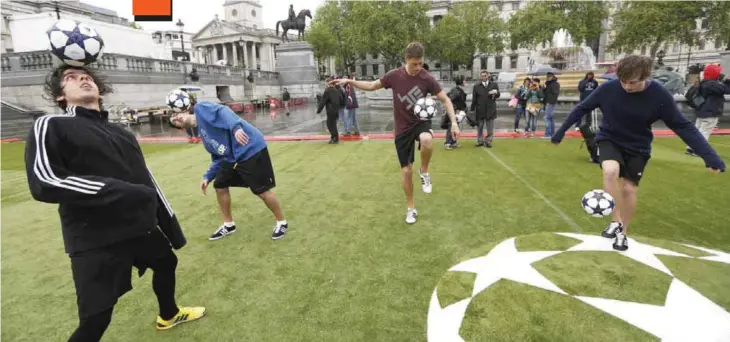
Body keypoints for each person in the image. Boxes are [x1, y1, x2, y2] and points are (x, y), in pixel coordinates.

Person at [26, 65, 206, 341]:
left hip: (140, 228)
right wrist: (119, 191)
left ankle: (168, 315)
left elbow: (147, 181)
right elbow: (44, 180)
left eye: (86, 76)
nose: (83, 79)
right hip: (95, 239)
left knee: (166, 262)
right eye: (71, 78)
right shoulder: (51, 125)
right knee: (96, 319)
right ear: (60, 97)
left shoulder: (122, 132)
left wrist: (170, 225)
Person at [551, 55, 725, 251]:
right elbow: (581, 108)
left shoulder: (659, 96)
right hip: (610, 138)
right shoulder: (609, 89)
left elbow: (683, 126)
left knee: (628, 189)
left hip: (638, 145)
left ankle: (623, 233)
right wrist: (559, 133)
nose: (626, 86)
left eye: (632, 82)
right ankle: (615, 221)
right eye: (623, 81)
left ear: (646, 76)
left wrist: (710, 157)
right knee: (610, 171)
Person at [330, 42, 460, 224]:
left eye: (421, 63)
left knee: (426, 139)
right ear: (406, 59)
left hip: (420, 123)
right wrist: (349, 81)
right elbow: (371, 85)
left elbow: (445, 99)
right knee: (406, 171)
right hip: (402, 129)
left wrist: (454, 123)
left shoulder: (427, 78)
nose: (418, 67)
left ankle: (424, 171)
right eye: (415, 63)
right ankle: (411, 208)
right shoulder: (394, 76)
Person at [168, 95, 289, 241]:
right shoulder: (204, 138)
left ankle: (282, 222)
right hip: (233, 157)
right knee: (220, 184)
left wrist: (236, 128)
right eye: (174, 122)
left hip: (250, 147)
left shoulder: (201, 108)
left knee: (261, 191)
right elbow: (218, 158)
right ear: (181, 128)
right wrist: (207, 177)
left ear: (184, 111)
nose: (177, 119)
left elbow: (224, 111)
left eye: (176, 116)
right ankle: (229, 224)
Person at [685, 64, 730, 156]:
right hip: (710, 111)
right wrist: (727, 82)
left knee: (697, 130)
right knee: (704, 131)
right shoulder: (712, 85)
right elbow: (726, 90)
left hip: (702, 110)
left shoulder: (704, 83)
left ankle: (691, 147)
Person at [471, 70, 500, 147]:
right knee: (480, 126)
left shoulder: (494, 85)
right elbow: (474, 99)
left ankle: (488, 141)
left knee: (490, 127)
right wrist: (472, 110)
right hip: (480, 110)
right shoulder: (476, 86)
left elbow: (498, 95)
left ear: (488, 76)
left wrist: (494, 94)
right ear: (481, 77)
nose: (483, 77)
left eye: (485, 76)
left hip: (490, 109)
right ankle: (480, 140)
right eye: (482, 76)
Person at [317, 76, 344, 144]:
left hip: (330, 109)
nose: (325, 84)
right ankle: (335, 138)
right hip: (336, 109)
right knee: (333, 124)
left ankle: (335, 138)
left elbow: (323, 101)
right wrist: (340, 106)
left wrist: (319, 110)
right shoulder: (336, 90)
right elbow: (341, 98)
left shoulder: (327, 90)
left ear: (328, 83)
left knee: (330, 125)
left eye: (326, 83)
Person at [444, 75, 467, 149]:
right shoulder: (456, 90)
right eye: (464, 80)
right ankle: (448, 143)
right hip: (455, 111)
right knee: (451, 126)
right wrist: (455, 109)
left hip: (458, 112)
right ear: (461, 81)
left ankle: (453, 142)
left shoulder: (458, 89)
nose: (465, 82)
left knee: (454, 126)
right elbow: (449, 99)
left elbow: (447, 96)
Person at [543, 72, 560, 137]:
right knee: (551, 118)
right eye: (547, 76)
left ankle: (548, 134)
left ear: (553, 76)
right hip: (549, 102)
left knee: (547, 118)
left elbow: (555, 94)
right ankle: (552, 133)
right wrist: (544, 88)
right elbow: (547, 93)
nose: (548, 77)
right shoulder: (549, 84)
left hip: (550, 103)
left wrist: (549, 102)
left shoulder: (554, 84)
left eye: (549, 76)